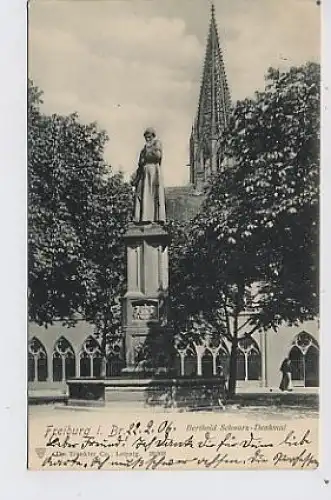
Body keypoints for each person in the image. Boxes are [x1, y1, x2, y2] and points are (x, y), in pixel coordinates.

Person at [133, 127, 166, 224]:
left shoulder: (157, 144)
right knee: (144, 194)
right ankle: (146, 217)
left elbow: (157, 156)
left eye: (149, 137)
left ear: (152, 136)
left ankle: (156, 217)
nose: (147, 139)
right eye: (146, 137)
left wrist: (148, 151)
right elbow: (140, 162)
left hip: (154, 170)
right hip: (145, 172)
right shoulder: (143, 149)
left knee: (155, 193)